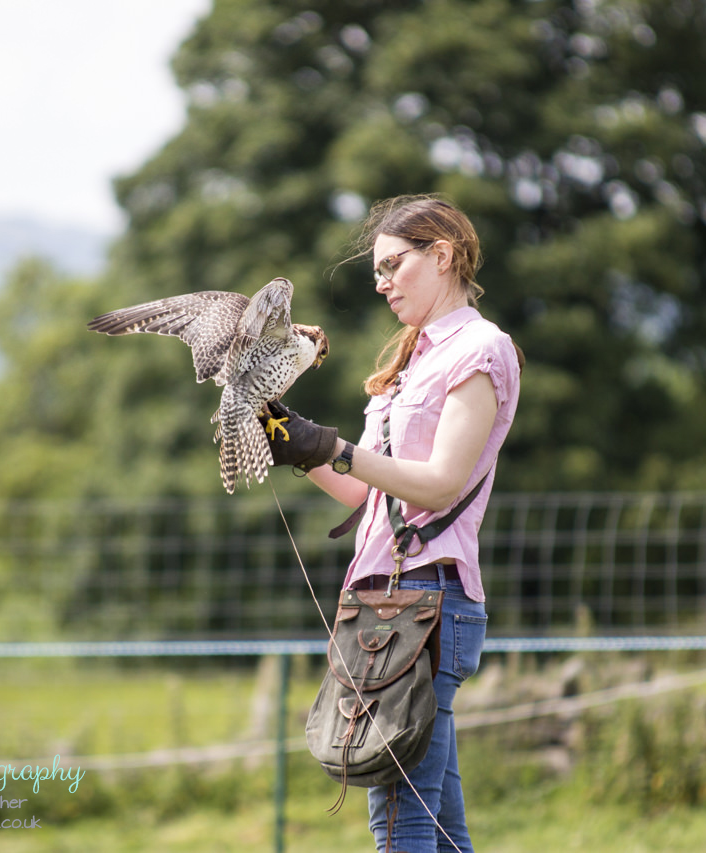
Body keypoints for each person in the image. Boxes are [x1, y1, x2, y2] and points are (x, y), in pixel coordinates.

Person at [265, 194, 522, 852]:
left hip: (430, 600)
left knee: (400, 812)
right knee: (437, 824)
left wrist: (336, 446)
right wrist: (290, 439)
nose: (379, 282)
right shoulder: (410, 361)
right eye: (375, 270)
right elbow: (361, 492)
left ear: (442, 255)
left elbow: (441, 481)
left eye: (391, 264)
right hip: (384, 602)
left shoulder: (481, 349)